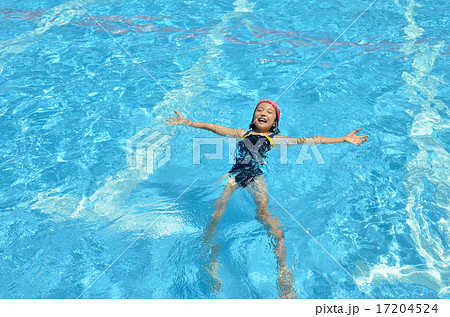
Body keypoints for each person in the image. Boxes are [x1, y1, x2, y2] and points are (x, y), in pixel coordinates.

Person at [164, 98, 369, 298]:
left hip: (256, 178)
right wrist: (188, 122)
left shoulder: (274, 139)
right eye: (260, 110)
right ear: (253, 117)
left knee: (266, 216)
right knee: (215, 213)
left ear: (274, 124)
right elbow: (214, 127)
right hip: (234, 175)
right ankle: (208, 257)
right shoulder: (241, 133)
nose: (263, 113)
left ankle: (283, 270)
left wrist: (342, 139)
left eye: (269, 112)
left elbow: (309, 140)